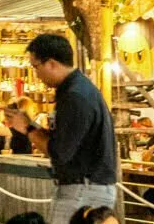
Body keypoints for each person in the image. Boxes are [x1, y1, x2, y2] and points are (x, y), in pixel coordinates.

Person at [24, 32, 116, 224]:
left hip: (83, 189)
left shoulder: (75, 96)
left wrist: (28, 129)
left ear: (51, 63)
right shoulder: (77, 89)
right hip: (87, 187)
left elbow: (59, 152)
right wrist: (31, 125)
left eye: (35, 67)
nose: (36, 74)